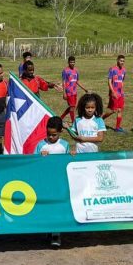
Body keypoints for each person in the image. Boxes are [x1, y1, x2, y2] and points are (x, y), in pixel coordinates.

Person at [35, 117, 70, 247]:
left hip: (59, 182)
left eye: (54, 135)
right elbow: (32, 163)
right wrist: (40, 157)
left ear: (60, 132)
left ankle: (56, 234)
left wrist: (72, 154)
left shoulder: (64, 145)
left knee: (57, 207)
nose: (51, 137)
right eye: (48, 134)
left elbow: (68, 162)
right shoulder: (40, 145)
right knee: (47, 206)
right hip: (45, 183)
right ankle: (48, 229)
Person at [60, 56, 88, 124]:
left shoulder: (76, 70)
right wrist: (64, 93)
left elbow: (77, 81)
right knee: (72, 107)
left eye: (73, 62)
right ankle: (73, 122)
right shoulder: (65, 71)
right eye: (71, 62)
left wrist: (84, 89)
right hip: (69, 92)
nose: (72, 63)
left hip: (74, 92)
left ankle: (61, 118)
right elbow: (63, 82)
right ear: (68, 62)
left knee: (72, 107)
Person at [102, 55, 126, 133]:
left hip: (120, 93)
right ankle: (101, 119)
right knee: (113, 110)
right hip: (114, 93)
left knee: (120, 110)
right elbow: (109, 82)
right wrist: (113, 92)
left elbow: (122, 81)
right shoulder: (112, 69)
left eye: (123, 61)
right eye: (120, 60)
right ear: (117, 60)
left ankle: (117, 128)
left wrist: (122, 91)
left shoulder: (124, 70)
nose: (122, 62)